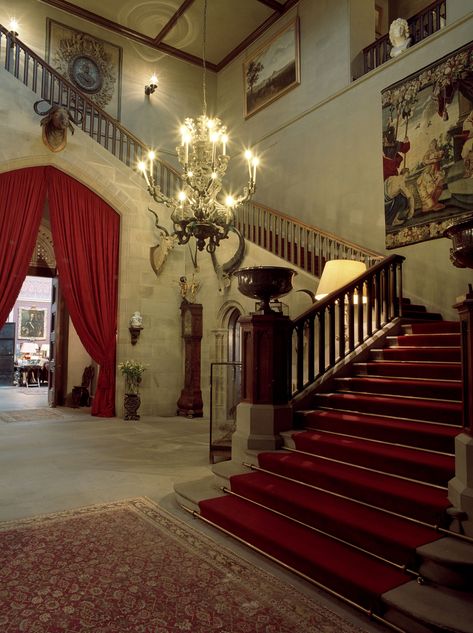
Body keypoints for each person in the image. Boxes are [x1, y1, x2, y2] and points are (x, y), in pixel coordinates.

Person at [416, 139, 445, 212]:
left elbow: (441, 156)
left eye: (434, 144)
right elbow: (424, 161)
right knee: (430, 188)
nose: (433, 145)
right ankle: (429, 205)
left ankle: (434, 203)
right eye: (432, 144)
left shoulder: (437, 151)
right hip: (428, 173)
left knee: (439, 185)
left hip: (436, 172)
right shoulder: (428, 152)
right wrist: (433, 160)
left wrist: (438, 156)